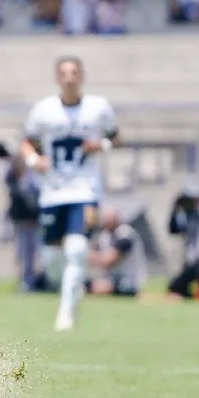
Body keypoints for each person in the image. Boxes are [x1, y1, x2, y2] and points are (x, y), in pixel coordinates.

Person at [20, 56, 118, 331]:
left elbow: (115, 136)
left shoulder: (98, 107)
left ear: (81, 76)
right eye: (64, 73)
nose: (69, 78)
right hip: (53, 192)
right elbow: (27, 142)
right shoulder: (44, 110)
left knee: (77, 249)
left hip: (85, 191)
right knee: (52, 261)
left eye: (74, 73)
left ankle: (66, 314)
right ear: (57, 78)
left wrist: (102, 145)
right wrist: (34, 160)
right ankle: (72, 289)